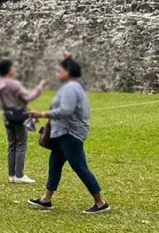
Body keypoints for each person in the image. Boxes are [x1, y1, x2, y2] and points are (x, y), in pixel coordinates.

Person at [28, 57, 110, 213]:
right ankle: (46, 199)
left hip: (70, 132)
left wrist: (42, 114)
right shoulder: (74, 86)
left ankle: (100, 202)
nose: (58, 73)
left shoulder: (71, 88)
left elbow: (66, 110)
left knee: (79, 166)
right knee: (54, 164)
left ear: (68, 72)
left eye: (60, 70)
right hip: (63, 132)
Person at [0, 59, 47, 184]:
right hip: (19, 116)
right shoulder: (14, 84)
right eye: (12, 67)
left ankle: (11, 175)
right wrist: (40, 86)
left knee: (12, 145)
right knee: (21, 145)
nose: (14, 69)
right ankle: (19, 175)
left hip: (7, 116)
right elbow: (29, 97)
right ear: (8, 70)